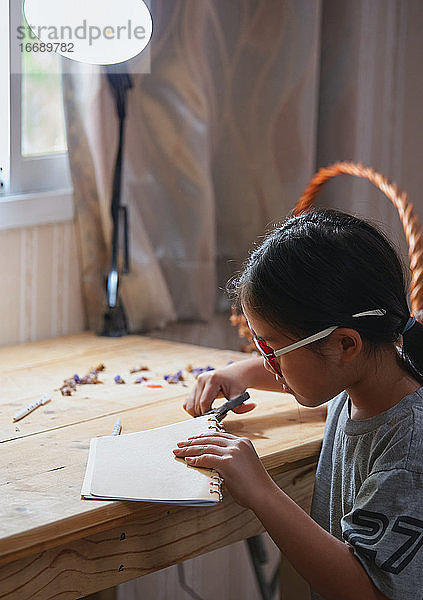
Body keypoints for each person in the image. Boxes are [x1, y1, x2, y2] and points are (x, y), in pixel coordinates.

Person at [173, 209, 423, 600]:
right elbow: (320, 372)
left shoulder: (407, 453)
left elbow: (367, 592)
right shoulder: (375, 376)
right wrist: (243, 372)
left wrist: (261, 490)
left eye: (273, 349)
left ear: (344, 344)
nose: (268, 363)